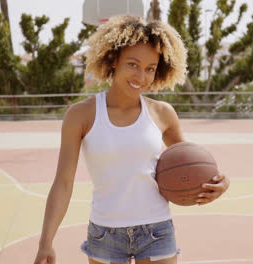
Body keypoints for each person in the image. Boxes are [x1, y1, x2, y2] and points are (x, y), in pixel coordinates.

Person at [34, 15, 230, 264]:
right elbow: (63, 183)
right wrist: (46, 242)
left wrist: (219, 183)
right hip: (105, 233)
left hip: (156, 231)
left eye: (150, 68)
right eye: (133, 64)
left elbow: (191, 165)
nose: (141, 76)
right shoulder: (80, 115)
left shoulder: (163, 113)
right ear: (114, 60)